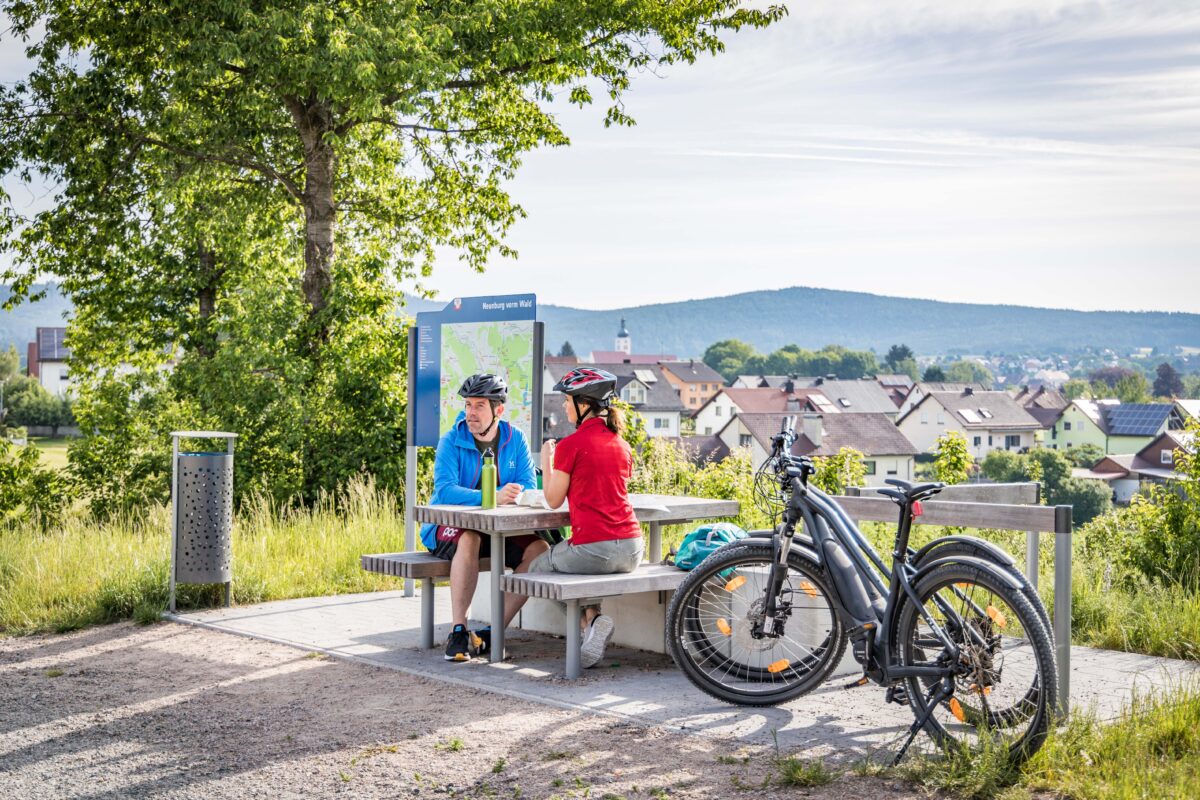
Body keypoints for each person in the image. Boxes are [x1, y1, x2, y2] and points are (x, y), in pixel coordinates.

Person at [420, 373, 548, 662]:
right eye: (467, 405)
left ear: (498, 410)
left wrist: (513, 494)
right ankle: (458, 630)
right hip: (447, 527)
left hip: (498, 528)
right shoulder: (452, 440)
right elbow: (445, 490)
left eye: (479, 406)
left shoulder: (516, 439)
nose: (470, 413)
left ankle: (493, 632)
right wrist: (493, 496)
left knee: (540, 549)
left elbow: (527, 484)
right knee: (470, 537)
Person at [536, 367, 644, 668]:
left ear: (584, 404)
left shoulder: (571, 445)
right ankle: (594, 623)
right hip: (633, 548)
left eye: (567, 400)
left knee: (537, 569)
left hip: (597, 548)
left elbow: (553, 500)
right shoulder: (622, 445)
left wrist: (547, 460)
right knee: (582, 567)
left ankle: (589, 626)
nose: (563, 405)